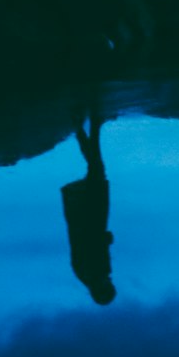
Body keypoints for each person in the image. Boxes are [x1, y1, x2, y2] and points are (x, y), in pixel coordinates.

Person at [60, 109, 116, 306]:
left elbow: (87, 244)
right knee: (96, 168)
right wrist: (106, 241)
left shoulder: (89, 272)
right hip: (92, 215)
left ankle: (90, 125)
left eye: (109, 286)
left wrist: (105, 240)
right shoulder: (90, 273)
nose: (110, 281)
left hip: (88, 214)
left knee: (96, 168)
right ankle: (87, 126)